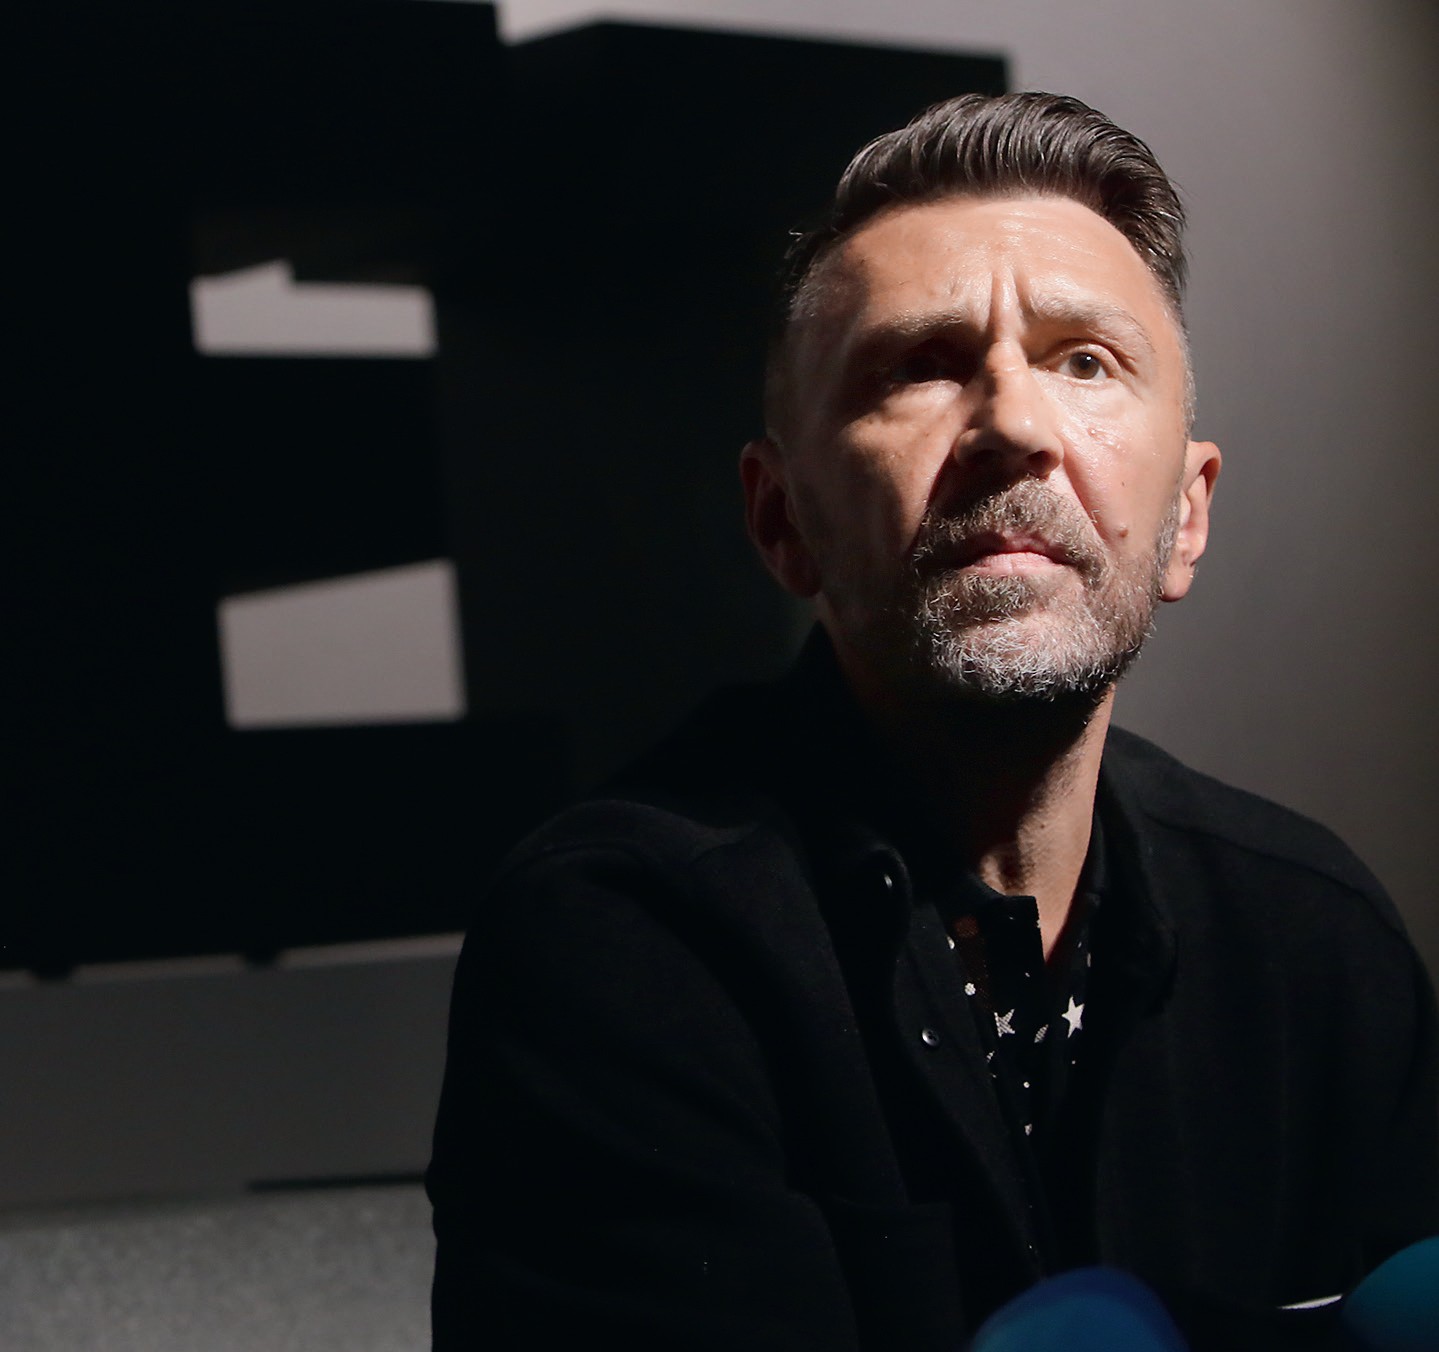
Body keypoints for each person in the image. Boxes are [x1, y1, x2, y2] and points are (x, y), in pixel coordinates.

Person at [427, 92, 1438, 1350]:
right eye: (919, 365)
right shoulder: (626, 943)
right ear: (781, 519)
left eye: (1084, 360)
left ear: (1185, 514)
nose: (1012, 425)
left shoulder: (1311, 935)